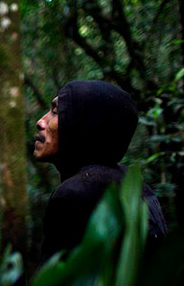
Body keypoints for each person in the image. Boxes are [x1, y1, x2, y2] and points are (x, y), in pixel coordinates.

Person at [34, 80, 167, 264]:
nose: (40, 122)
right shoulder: (139, 187)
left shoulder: (72, 196)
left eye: (55, 112)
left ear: (84, 123)